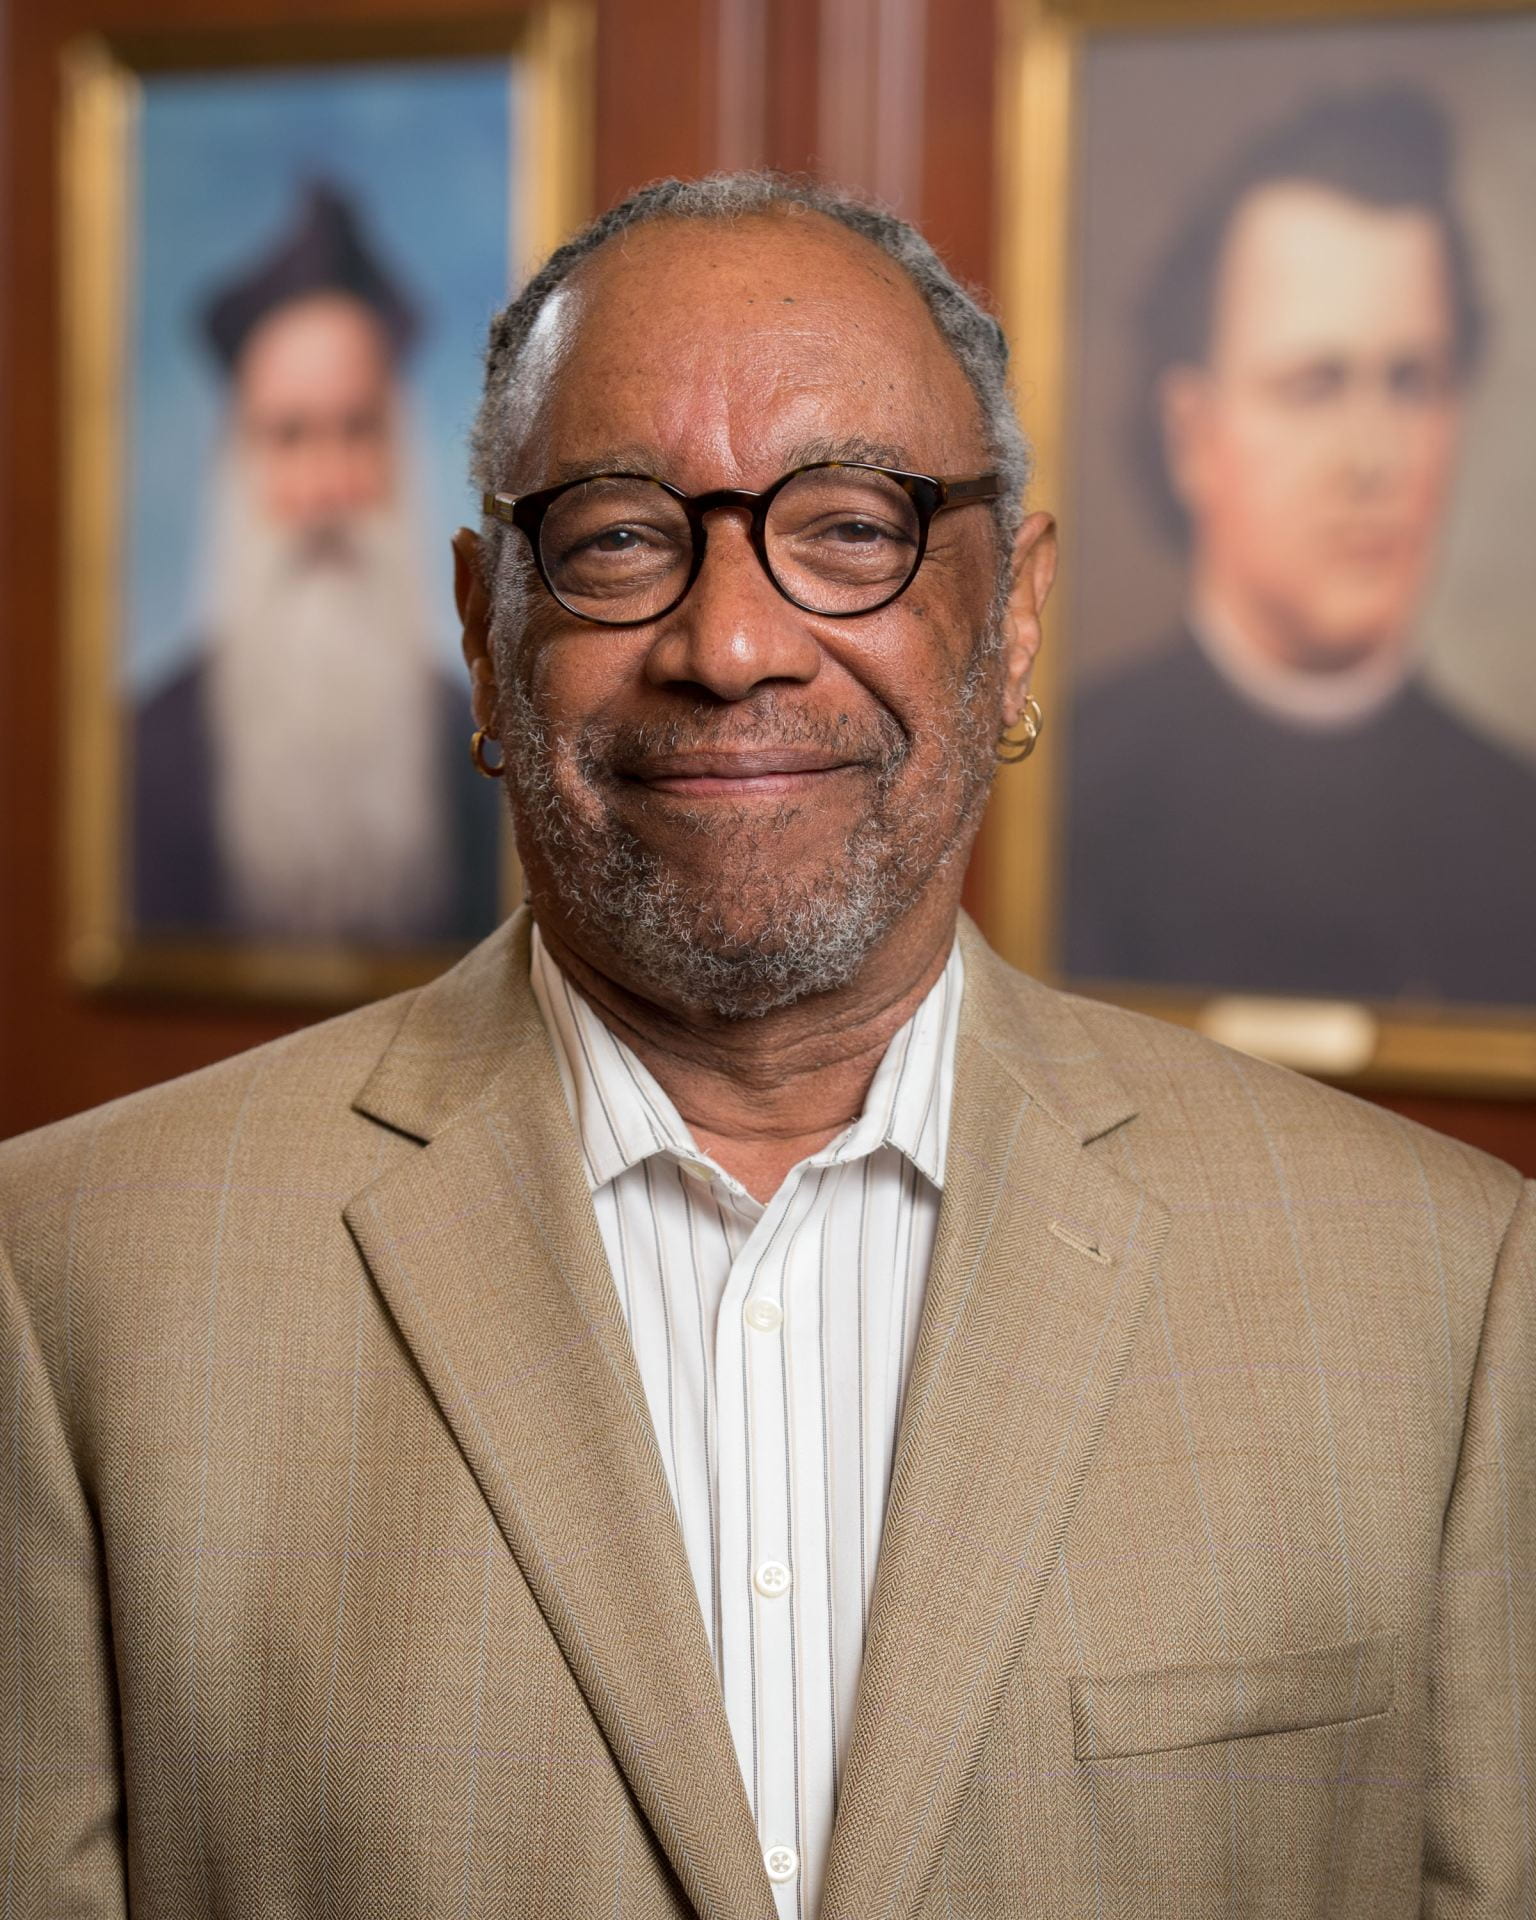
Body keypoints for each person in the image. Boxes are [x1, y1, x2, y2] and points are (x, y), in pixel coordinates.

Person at [4, 173, 1531, 1917]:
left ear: (1013, 621)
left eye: (851, 526)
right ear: (485, 638)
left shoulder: (1439, 1297)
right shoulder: (68, 1295)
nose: (728, 646)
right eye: (619, 536)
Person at [1066, 87, 1536, 1003]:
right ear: (1192, 435)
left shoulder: (1521, 825)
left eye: (1412, 383)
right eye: (1315, 385)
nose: (1373, 462)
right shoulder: (1066, 803)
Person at [132, 181, 499, 946]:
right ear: (236, 467)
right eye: (290, 436)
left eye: (358, 429)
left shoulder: (484, 758)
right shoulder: (136, 759)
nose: (329, 487)